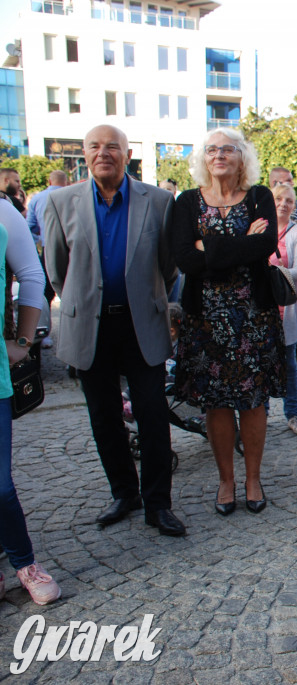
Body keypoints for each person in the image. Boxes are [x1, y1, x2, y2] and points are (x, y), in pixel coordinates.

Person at [44, 125, 185, 536]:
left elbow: (168, 266)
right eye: (94, 146)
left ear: (127, 155)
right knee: (104, 416)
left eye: (113, 147)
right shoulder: (59, 201)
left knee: (153, 415)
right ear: (84, 155)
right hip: (90, 326)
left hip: (141, 323)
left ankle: (159, 504)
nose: (103, 152)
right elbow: (57, 269)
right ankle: (125, 492)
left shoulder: (158, 201)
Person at [171, 127, 285, 517]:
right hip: (204, 321)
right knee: (216, 405)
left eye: (228, 150)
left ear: (242, 158)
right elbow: (184, 258)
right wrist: (239, 242)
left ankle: (253, 478)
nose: (219, 155)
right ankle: (226, 481)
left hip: (253, 316)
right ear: (203, 158)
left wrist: (210, 244)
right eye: (212, 149)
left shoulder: (259, 197)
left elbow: (264, 247)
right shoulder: (186, 202)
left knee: (254, 402)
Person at [0, 193, 61, 604]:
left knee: (0, 485)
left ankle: (24, 563)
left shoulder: (2, 210)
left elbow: (32, 275)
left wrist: (23, 340)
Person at [270, 183, 297, 435]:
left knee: (288, 363)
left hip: (287, 309)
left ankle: (293, 414)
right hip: (262, 310)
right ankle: (258, 414)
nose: (282, 204)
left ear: (294, 206)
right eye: (277, 198)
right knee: (261, 364)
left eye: (288, 200)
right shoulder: (260, 229)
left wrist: (271, 274)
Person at [25, 169, 69, 348]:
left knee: (46, 295)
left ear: (50, 182)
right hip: (74, 250)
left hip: (47, 249)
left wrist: (40, 240)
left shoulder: (37, 199)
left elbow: (30, 227)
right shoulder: (72, 196)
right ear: (65, 182)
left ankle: (45, 334)